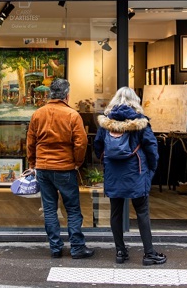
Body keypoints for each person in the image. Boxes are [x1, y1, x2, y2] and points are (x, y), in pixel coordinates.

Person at [94, 86, 167, 266]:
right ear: (136, 101)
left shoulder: (106, 122)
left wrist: (107, 162)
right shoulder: (140, 122)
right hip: (136, 171)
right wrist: (150, 170)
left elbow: (97, 146)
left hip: (113, 172)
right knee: (142, 211)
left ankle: (120, 251)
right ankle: (149, 254)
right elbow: (151, 149)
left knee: (115, 211)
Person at [27, 78, 95, 259]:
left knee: (49, 209)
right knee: (72, 209)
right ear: (67, 95)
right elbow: (81, 143)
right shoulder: (72, 115)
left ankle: (55, 247)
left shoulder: (38, 114)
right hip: (65, 167)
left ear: (51, 94)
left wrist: (33, 162)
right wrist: (77, 163)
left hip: (43, 167)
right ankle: (77, 247)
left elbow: (31, 142)